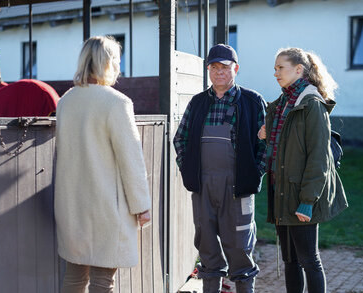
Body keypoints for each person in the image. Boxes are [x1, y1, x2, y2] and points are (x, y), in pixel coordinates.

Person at [54, 36, 151, 293]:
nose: (119, 65)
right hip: (107, 207)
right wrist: (141, 206)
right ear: (107, 63)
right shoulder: (117, 103)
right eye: (116, 60)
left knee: (74, 277)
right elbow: (131, 160)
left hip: (72, 206)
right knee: (102, 281)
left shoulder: (65, 101)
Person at [173, 44, 267, 293]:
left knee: (239, 247)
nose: (219, 72)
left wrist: (253, 173)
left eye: (224, 67)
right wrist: (189, 171)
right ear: (208, 71)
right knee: (207, 247)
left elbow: (267, 145)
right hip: (203, 187)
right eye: (213, 67)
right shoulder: (197, 103)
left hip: (238, 189)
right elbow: (180, 139)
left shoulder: (251, 102)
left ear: (235, 69)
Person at [258, 47, 348, 293]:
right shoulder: (281, 104)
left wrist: (307, 201)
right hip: (281, 191)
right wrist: (266, 135)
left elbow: (318, 157)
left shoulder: (312, 104)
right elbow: (286, 147)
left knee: (309, 261)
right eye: (275, 68)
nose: (275, 72)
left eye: (280, 68)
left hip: (301, 196)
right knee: (290, 261)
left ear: (299, 70)